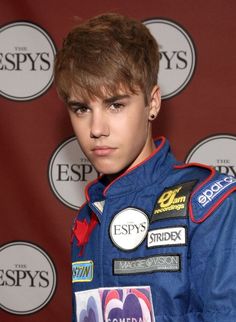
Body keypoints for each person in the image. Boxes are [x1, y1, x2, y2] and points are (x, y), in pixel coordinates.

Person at [54, 12, 236, 322]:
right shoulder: (87, 218)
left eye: (115, 105)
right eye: (82, 108)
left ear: (152, 103)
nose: (96, 128)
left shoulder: (208, 203)